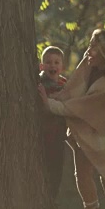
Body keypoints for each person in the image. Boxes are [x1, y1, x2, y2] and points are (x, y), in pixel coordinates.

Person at [39, 29, 105, 209]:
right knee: (82, 172)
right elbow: (72, 90)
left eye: (94, 48)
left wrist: (50, 104)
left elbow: (83, 108)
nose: (89, 52)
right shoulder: (88, 67)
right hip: (84, 130)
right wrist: (56, 97)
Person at [39, 46, 68, 199]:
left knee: (57, 167)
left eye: (57, 62)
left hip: (59, 133)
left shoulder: (64, 85)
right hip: (44, 133)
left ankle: (52, 200)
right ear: (42, 66)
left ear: (62, 67)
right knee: (45, 167)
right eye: (49, 62)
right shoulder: (40, 84)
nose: (53, 66)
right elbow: (44, 110)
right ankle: (43, 197)